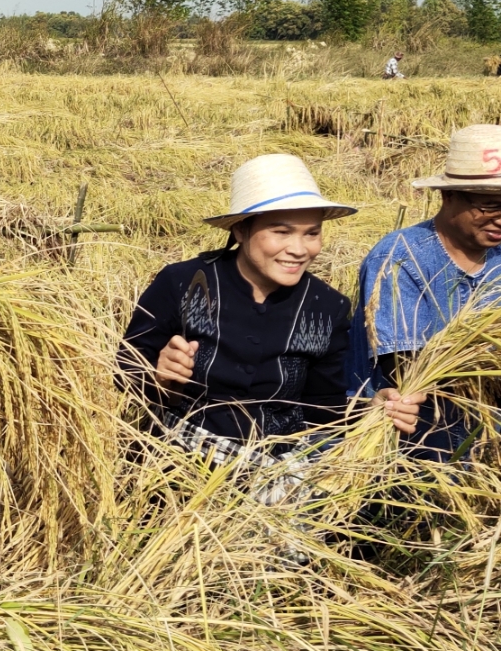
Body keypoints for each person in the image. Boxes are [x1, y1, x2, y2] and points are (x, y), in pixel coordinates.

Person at [119, 154, 419, 470]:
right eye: (281, 232)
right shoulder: (184, 283)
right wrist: (159, 376)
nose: (300, 249)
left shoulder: (325, 308)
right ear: (240, 231)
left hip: (277, 470)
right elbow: (125, 372)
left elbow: (323, 413)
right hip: (177, 462)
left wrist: (370, 410)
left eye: (312, 233)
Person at [349, 124, 501, 457]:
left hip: (488, 430)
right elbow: (406, 372)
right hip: (418, 439)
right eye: (489, 205)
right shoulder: (400, 259)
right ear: (448, 195)